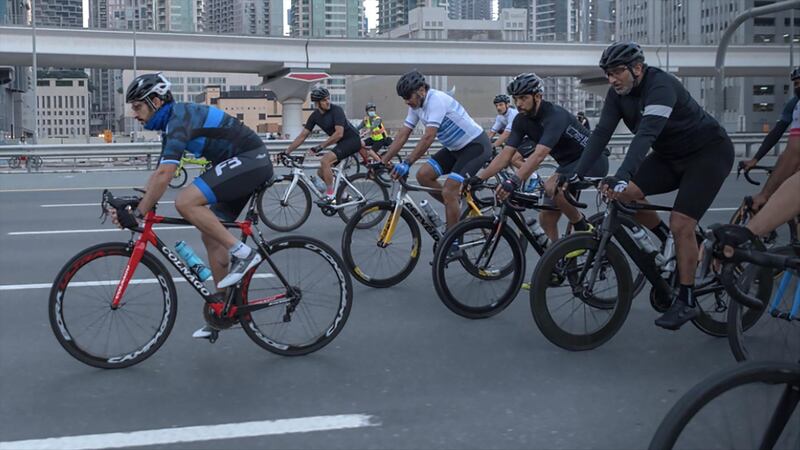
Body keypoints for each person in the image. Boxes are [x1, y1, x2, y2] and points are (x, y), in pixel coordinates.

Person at [565, 41, 735, 330]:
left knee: (682, 222)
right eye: (608, 73)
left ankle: (687, 300)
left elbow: (645, 136)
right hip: (670, 156)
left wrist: (621, 174)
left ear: (638, 68)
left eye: (617, 71)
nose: (612, 79)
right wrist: (576, 174)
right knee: (626, 197)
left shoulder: (661, 86)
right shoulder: (617, 94)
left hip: (707, 154)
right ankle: (669, 238)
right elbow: (601, 134)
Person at [116, 73, 273, 339]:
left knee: (185, 202)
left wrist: (141, 211)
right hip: (240, 163)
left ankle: (245, 254)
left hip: (251, 160)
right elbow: (159, 173)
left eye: (137, 107)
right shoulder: (171, 124)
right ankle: (223, 309)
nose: (135, 114)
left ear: (155, 101)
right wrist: (135, 202)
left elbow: (167, 176)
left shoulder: (179, 119)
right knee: (210, 235)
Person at [469, 73, 608, 242]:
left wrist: (513, 182)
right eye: (515, 99)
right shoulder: (521, 120)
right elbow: (506, 155)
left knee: (552, 186)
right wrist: (477, 178)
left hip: (592, 160)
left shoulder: (555, 116)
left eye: (523, 98)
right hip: (567, 164)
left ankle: (582, 226)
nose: (518, 104)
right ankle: (556, 260)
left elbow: (538, 156)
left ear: (538, 96)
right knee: (546, 218)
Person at [381, 70, 491, 230]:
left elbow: (428, 137)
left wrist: (407, 162)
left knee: (449, 190)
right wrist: (382, 160)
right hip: (455, 149)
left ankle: (453, 241)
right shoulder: (416, 106)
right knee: (423, 175)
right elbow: (404, 133)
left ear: (421, 90)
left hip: (475, 146)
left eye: (408, 97)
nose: (406, 101)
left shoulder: (436, 100)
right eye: (403, 98)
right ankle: (454, 205)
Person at [281, 86, 362, 204]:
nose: (328, 102)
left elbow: (339, 133)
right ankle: (342, 195)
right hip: (342, 143)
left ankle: (331, 196)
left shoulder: (337, 110)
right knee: (321, 172)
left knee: (325, 161)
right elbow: (302, 136)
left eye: (328, 98)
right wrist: (287, 151)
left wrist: (320, 146)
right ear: (317, 103)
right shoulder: (315, 116)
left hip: (352, 141)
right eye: (324, 100)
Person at [739, 67, 800, 211]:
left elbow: (793, 154)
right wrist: (755, 159)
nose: (798, 87)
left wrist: (764, 194)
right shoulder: (794, 105)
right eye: (796, 84)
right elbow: (776, 133)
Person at [487, 94, 528, 169]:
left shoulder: (513, 114)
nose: (498, 107)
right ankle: (512, 176)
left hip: (528, 139)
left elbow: (506, 134)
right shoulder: (500, 117)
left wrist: (493, 146)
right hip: (519, 139)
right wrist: (485, 143)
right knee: (505, 160)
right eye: (496, 106)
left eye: (501, 105)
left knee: (514, 160)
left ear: (507, 105)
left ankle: (534, 176)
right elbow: (492, 132)